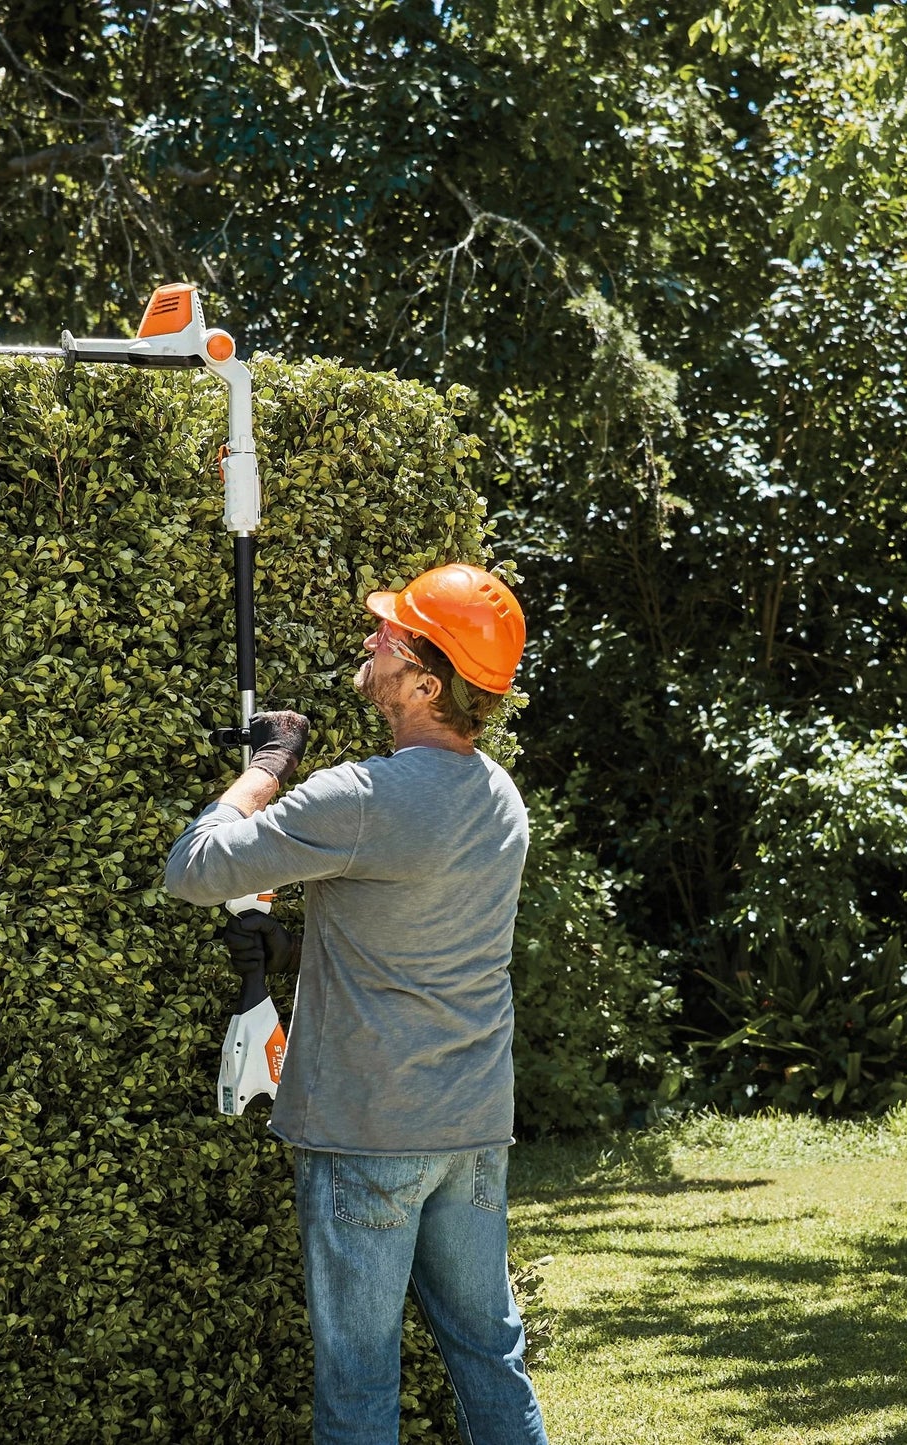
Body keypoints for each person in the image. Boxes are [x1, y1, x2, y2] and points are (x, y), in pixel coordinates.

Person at [164, 562, 548, 1445]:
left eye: (390, 633)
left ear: (423, 679)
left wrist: (266, 767)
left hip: (367, 1130)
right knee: (490, 1354)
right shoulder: (499, 796)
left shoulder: (361, 796)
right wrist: (300, 947)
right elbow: (412, 931)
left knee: (358, 1383)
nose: (371, 639)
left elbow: (194, 869)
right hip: (470, 1128)